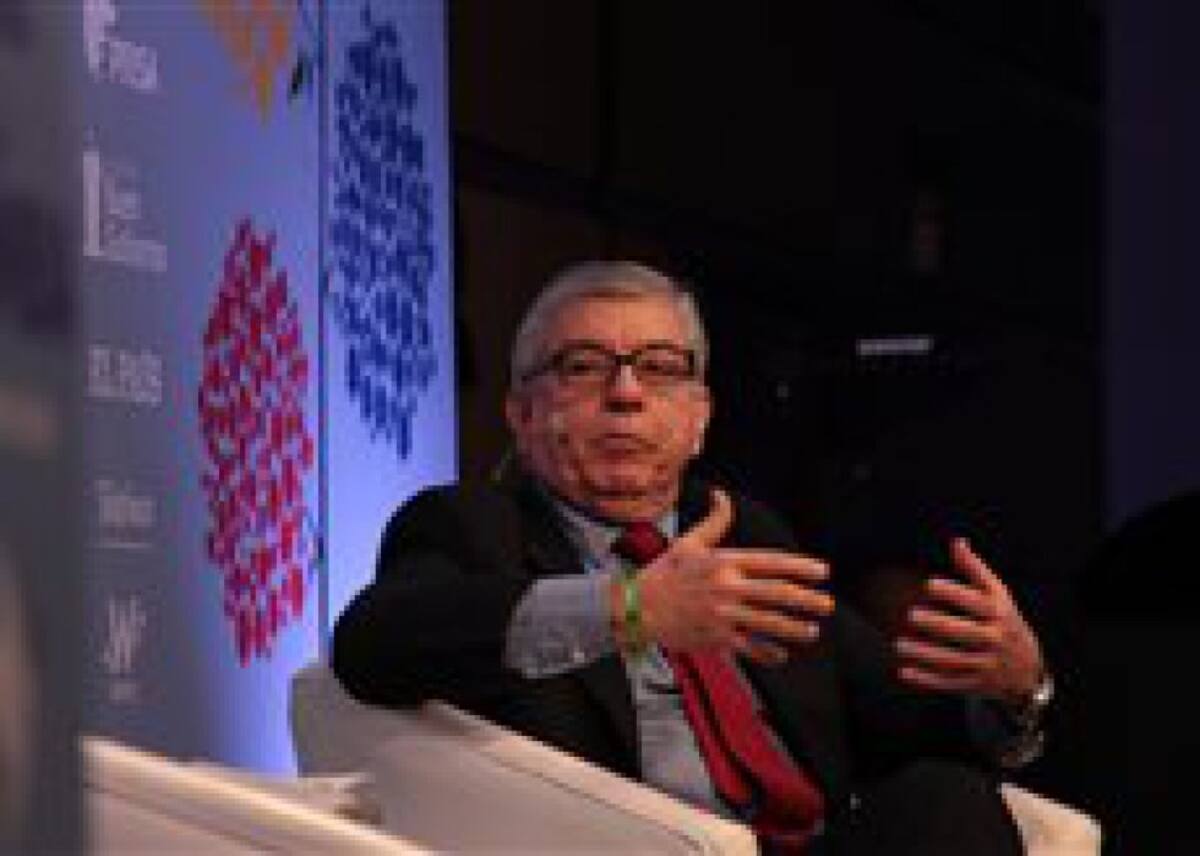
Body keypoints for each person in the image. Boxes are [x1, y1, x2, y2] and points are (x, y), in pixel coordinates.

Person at [333, 261, 1054, 854]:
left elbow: (894, 723)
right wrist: (628, 609)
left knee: (946, 802)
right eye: (583, 367)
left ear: (698, 419)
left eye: (659, 368)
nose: (625, 394)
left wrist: (1012, 696)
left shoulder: (747, 534)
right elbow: (373, 645)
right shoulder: (470, 527)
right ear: (522, 416)